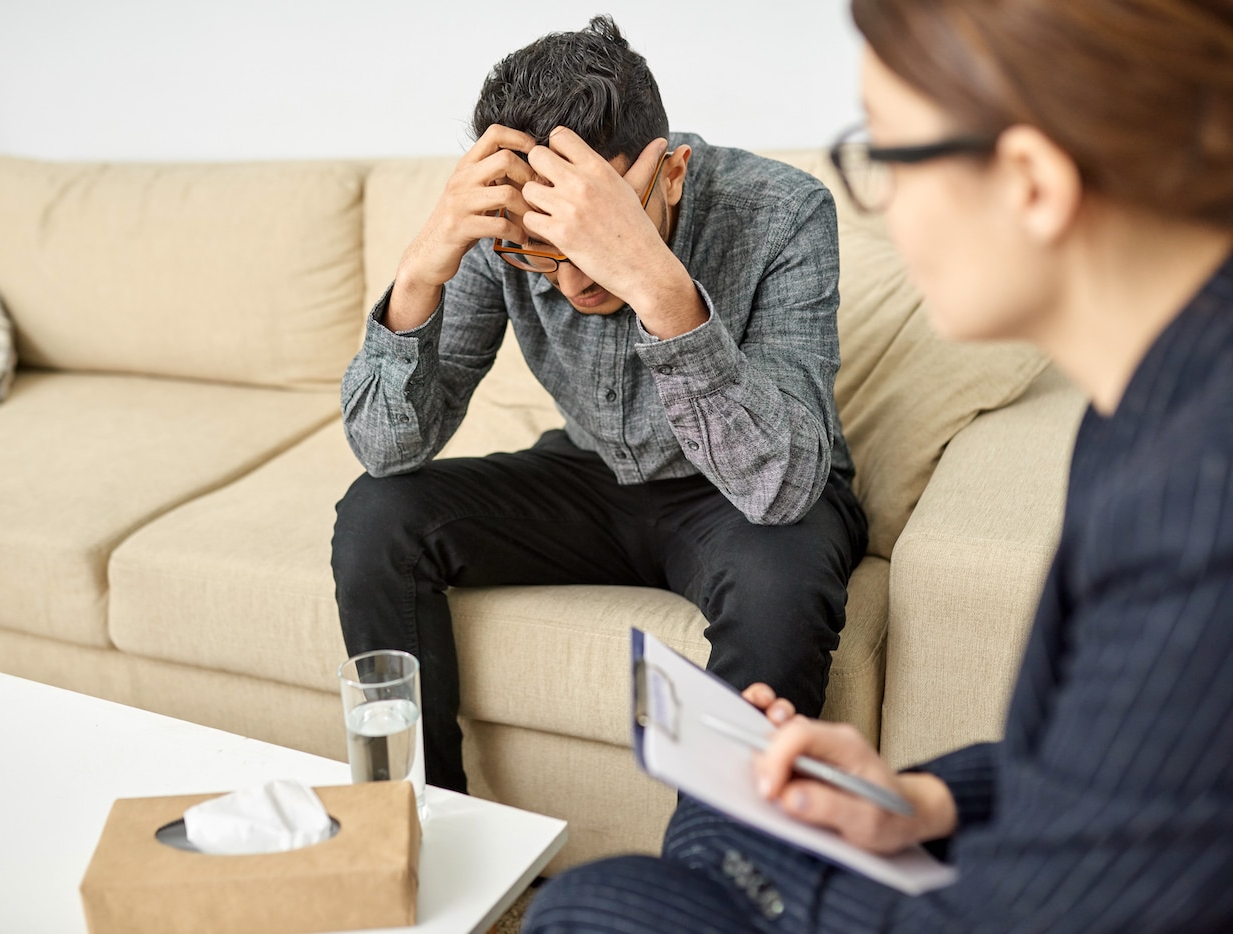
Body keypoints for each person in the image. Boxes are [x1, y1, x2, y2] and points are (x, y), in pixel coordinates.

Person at [523, 0, 1233, 931]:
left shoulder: (1195, 508)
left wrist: (809, 887)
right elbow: (1139, 765)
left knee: (598, 903)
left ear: (1031, 182)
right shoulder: (1152, 404)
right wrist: (919, 801)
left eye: (887, 154)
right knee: (721, 832)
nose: (881, 200)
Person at [332, 16, 867, 795]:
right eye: (541, 249)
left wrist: (655, 280)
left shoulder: (783, 212)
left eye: (597, 236)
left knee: (781, 584)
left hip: (743, 494)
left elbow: (780, 484)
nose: (573, 278)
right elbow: (386, 450)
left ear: (673, 173)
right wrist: (419, 273)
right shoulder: (500, 227)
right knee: (378, 515)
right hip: (591, 475)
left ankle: (712, 879)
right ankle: (420, 823)